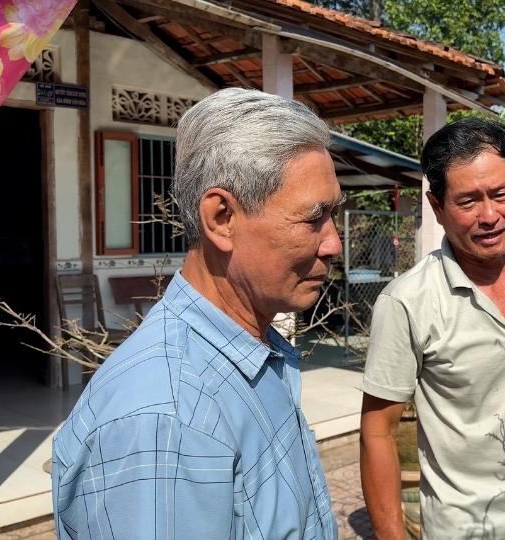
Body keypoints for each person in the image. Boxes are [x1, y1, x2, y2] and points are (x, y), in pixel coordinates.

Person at [51, 88, 342, 539]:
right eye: (314, 218)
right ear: (222, 217)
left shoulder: (251, 357)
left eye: (333, 214)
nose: (333, 243)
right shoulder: (165, 419)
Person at [359, 117, 505, 539]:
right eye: (467, 202)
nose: (490, 216)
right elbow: (378, 431)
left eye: (501, 194)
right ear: (437, 206)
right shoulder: (407, 303)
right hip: (468, 529)